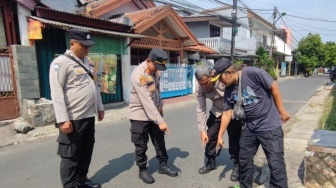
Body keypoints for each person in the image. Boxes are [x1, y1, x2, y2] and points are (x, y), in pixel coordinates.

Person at [214, 58, 290, 188]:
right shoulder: (228, 89)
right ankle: (245, 185)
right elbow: (227, 113)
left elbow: (274, 87)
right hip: (249, 127)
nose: (220, 83)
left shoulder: (252, 73)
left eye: (220, 79)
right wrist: (220, 136)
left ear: (229, 73)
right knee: (244, 159)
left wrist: (281, 111)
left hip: (269, 126)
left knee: (275, 162)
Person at [49, 29, 104, 188]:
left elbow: (95, 86)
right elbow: (56, 92)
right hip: (72, 118)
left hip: (88, 116)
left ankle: (82, 180)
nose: (87, 49)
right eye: (84, 46)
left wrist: (99, 107)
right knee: (70, 155)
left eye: (89, 46)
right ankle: (70, 185)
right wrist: (63, 119)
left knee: (86, 151)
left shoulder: (88, 62)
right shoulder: (61, 63)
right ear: (72, 43)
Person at [128, 48, 178, 184]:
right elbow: (146, 101)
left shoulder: (155, 72)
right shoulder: (138, 74)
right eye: (156, 66)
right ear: (149, 61)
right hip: (140, 116)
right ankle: (142, 169)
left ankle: (163, 165)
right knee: (141, 145)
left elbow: (157, 89)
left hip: (154, 113)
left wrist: (160, 104)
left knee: (159, 141)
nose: (158, 69)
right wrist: (160, 120)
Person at [194, 63, 241, 181]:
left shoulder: (223, 78)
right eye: (201, 84)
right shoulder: (200, 86)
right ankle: (211, 162)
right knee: (210, 135)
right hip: (217, 110)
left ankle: (236, 164)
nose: (204, 86)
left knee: (235, 137)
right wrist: (202, 130)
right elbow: (200, 108)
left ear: (212, 75)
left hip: (232, 111)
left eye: (206, 82)